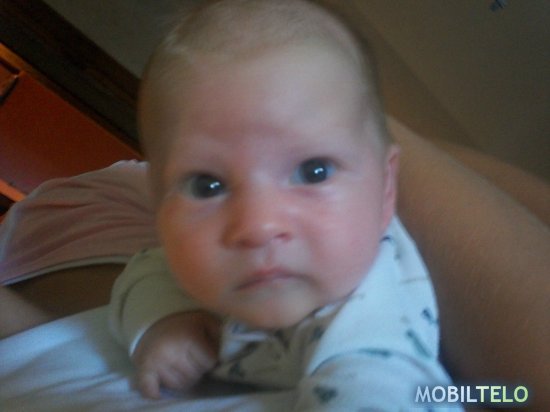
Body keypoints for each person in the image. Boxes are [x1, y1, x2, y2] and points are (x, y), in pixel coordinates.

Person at [109, 1, 457, 409]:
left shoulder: (371, 322)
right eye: (207, 185)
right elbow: (140, 278)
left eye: (313, 172)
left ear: (385, 191)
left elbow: (379, 391)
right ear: (159, 206)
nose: (259, 226)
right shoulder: (184, 263)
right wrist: (161, 323)